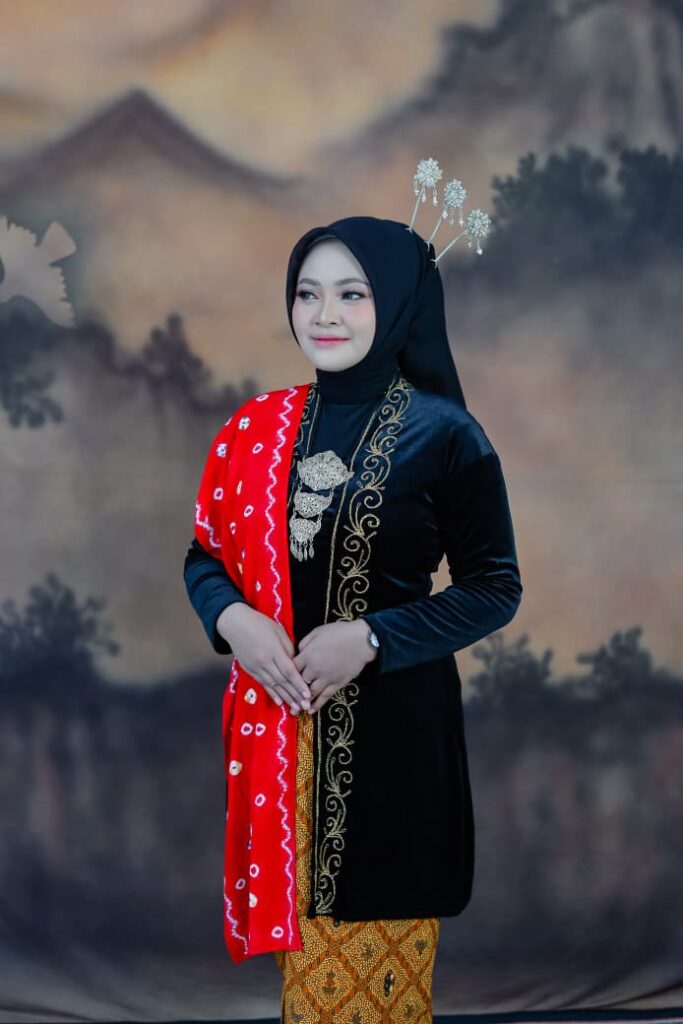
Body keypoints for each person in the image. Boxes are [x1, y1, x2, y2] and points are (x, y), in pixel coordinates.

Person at [183, 214, 523, 1022]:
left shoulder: (446, 435)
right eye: (307, 294)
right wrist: (233, 621)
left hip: (393, 749)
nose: (324, 315)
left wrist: (370, 637)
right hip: (277, 746)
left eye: (351, 295)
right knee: (307, 995)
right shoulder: (253, 428)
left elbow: (493, 586)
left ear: (398, 304)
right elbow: (204, 557)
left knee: (378, 984)